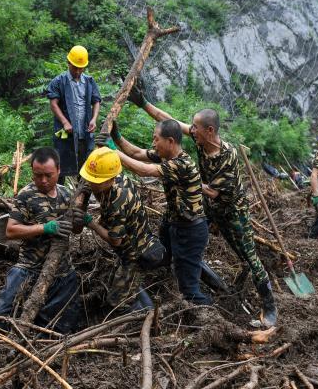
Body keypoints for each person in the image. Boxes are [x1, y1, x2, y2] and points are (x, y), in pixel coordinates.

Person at [130, 97, 276, 323]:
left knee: (249, 256)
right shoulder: (201, 140)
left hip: (232, 213)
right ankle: (203, 281)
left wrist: (187, 177)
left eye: (195, 127)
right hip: (208, 208)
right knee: (189, 238)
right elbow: (170, 122)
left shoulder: (227, 156)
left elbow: (214, 192)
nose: (191, 130)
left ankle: (269, 306)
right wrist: (143, 103)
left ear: (209, 130)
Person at [109, 119, 213, 306]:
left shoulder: (182, 164)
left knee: (189, 289)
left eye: (156, 139)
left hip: (190, 231)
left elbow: (144, 171)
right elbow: (136, 153)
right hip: (174, 224)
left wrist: (111, 152)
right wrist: (116, 136)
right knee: (159, 258)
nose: (153, 144)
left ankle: (209, 319)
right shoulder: (166, 156)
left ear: (170, 141)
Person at [0, 147, 84, 334]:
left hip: (62, 270)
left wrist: (80, 222)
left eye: (48, 175)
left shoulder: (66, 195)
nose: (43, 181)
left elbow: (76, 231)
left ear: (59, 170)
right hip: (28, 267)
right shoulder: (26, 195)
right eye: (38, 175)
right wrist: (45, 228)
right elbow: (10, 231)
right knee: (0, 313)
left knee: (65, 323)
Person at [77, 147, 158, 315]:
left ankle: (144, 315)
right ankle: (134, 292)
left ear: (109, 179)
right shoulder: (116, 178)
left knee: (117, 303)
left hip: (134, 253)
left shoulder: (118, 201)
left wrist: (90, 222)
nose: (91, 182)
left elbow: (115, 240)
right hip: (127, 248)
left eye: (95, 180)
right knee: (120, 285)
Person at [47, 45, 101, 183]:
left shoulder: (89, 81)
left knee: (86, 164)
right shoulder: (58, 81)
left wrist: (94, 119)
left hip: (84, 131)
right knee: (61, 162)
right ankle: (59, 194)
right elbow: (53, 104)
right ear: (68, 63)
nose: (77, 71)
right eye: (75, 67)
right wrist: (65, 122)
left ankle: (82, 196)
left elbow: (96, 101)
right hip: (65, 132)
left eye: (81, 68)